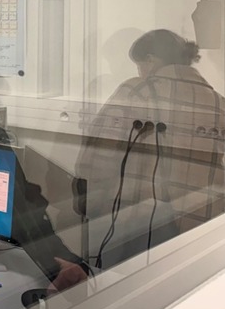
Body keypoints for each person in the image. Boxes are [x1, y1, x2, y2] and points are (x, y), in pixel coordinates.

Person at [76, 29, 225, 268]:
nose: (139, 72)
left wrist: (88, 203)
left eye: (139, 65)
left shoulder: (137, 91)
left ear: (151, 60)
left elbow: (98, 157)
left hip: (142, 223)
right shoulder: (218, 102)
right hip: (202, 225)